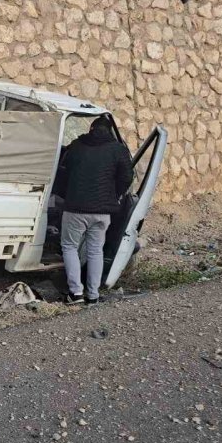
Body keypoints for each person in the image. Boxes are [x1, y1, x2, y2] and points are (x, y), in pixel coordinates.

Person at [55, 117, 132, 305]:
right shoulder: (118, 150)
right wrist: (116, 195)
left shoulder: (77, 146)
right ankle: (93, 295)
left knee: (70, 247)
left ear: (91, 128)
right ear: (110, 131)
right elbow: (127, 176)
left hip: (75, 208)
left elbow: (63, 170)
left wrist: (66, 194)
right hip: (102, 212)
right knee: (95, 250)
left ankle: (75, 293)